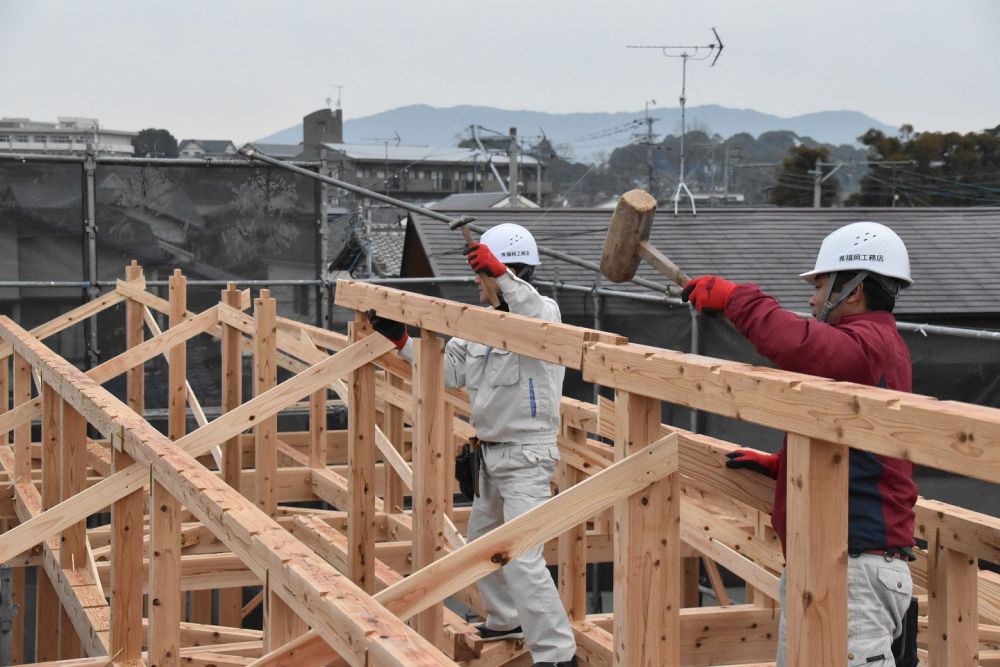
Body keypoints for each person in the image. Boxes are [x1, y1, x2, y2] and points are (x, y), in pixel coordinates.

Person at [681, 221, 918, 667]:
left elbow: (797, 343)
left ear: (853, 290)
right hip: (835, 560)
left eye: (820, 285)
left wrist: (737, 299)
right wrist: (783, 466)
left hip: (857, 566)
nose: (811, 299)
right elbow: (853, 442)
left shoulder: (869, 344)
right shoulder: (873, 347)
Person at [369, 223, 578, 667]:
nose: (476, 284)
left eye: (481, 276)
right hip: (489, 453)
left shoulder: (545, 315)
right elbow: (449, 372)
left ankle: (558, 655)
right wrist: (402, 341)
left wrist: (501, 275)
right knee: (482, 544)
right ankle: (506, 619)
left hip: (527, 456)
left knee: (522, 556)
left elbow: (533, 316)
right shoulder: (479, 326)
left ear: (506, 270)